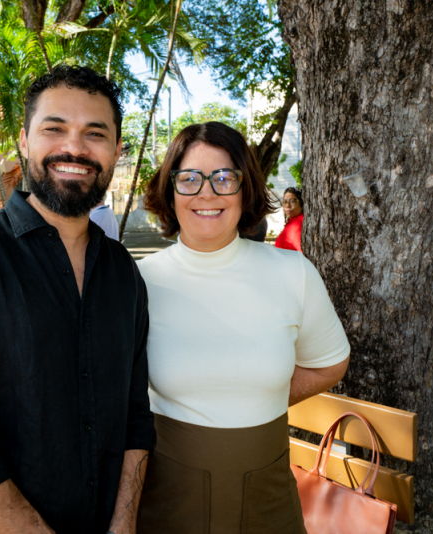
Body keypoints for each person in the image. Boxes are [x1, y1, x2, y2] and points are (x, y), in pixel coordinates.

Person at [0, 65, 155, 534]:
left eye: (95, 133)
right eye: (54, 128)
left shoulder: (123, 272)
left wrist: (122, 525)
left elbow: (134, 416)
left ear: (117, 152)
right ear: (24, 142)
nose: (75, 148)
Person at [136, 122, 350, 533]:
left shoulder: (293, 273)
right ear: (169, 190)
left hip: (268, 503)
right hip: (167, 505)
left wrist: (263, 396)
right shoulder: (138, 283)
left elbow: (329, 365)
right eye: (189, 179)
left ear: (245, 188)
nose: (207, 193)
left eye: (224, 178)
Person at [275, 186, 303, 252]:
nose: (287, 206)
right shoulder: (293, 221)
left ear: (301, 203)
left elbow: (303, 256)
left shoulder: (296, 225)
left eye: (293, 201)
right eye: (285, 202)